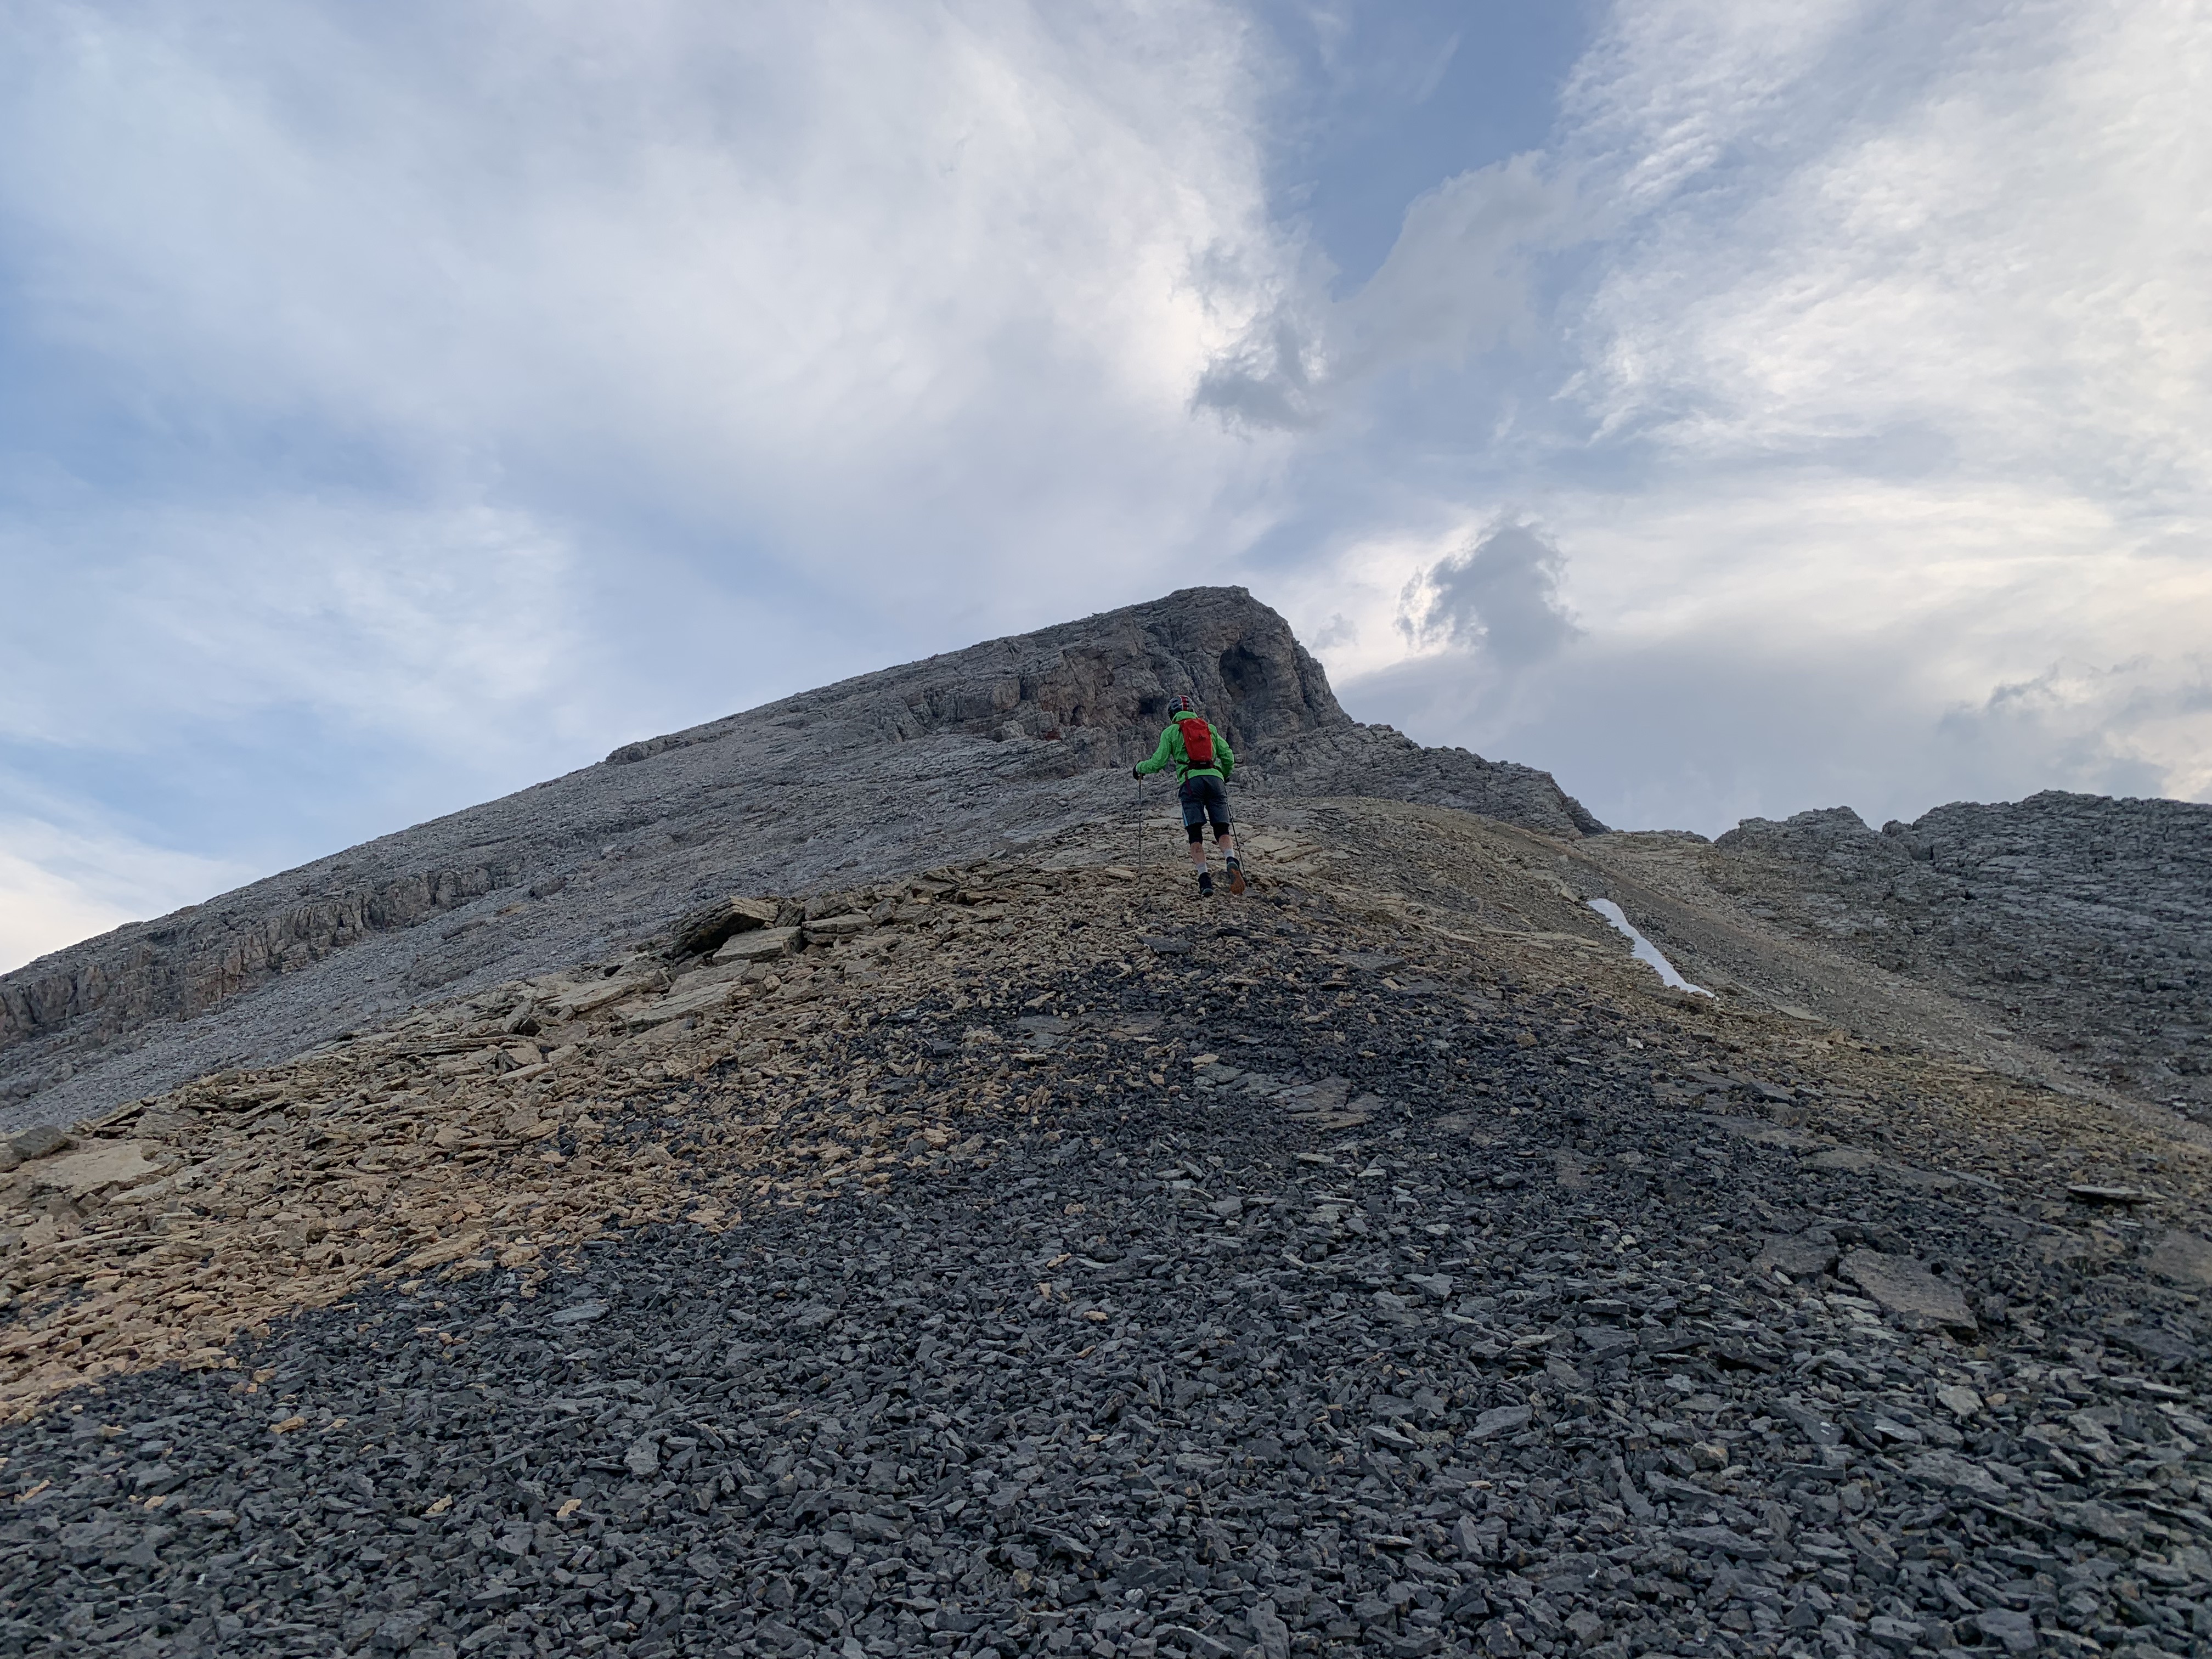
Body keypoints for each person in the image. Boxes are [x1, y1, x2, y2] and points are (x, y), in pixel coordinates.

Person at [1133, 694, 1243, 896]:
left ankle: (1204, 880)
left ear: (1171, 714)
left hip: (1190, 783)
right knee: (1222, 828)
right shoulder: (1209, 729)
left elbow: (1158, 763)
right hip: (1215, 779)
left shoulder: (1172, 732)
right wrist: (1223, 776)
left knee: (1195, 835)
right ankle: (1230, 859)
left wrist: (1139, 768)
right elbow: (1228, 755)